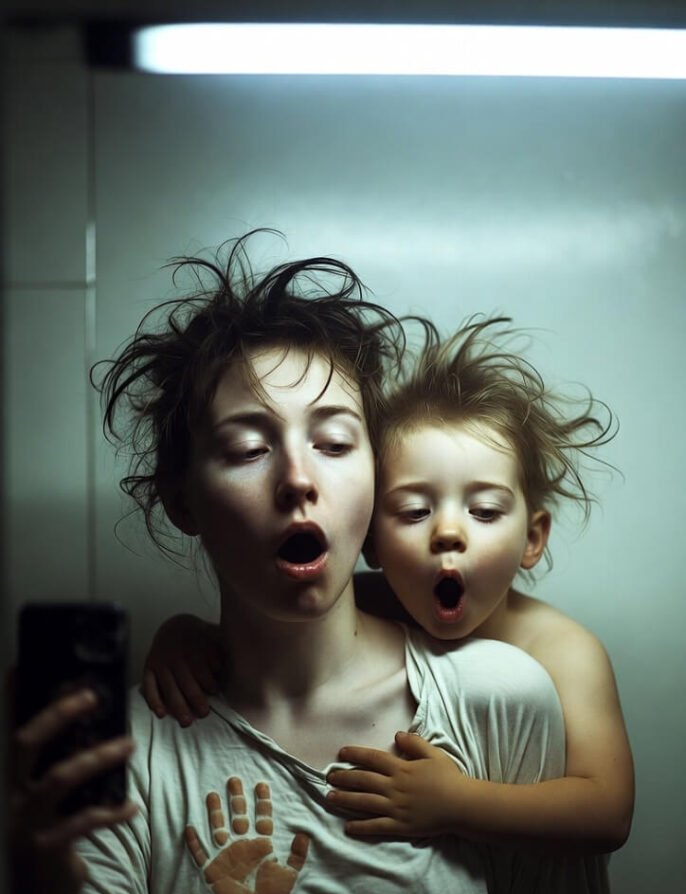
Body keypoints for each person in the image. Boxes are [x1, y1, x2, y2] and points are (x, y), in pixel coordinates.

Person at [9, 234, 616, 894]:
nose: (299, 478)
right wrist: (41, 884)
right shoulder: (128, 753)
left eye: (333, 442)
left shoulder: (502, 696)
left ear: (375, 480)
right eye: (246, 448)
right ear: (180, 498)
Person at [147, 317, 634, 856]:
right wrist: (183, 635)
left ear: (533, 538)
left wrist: (457, 804)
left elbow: (609, 812)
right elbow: (278, 634)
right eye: (415, 511)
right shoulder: (379, 601)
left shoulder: (563, 650)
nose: (448, 532)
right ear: (372, 543)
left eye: (484, 510)